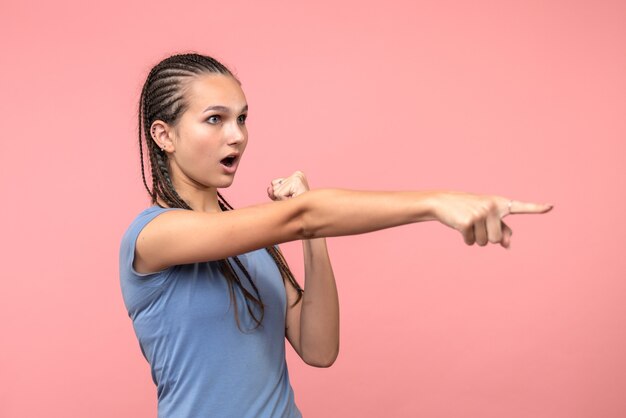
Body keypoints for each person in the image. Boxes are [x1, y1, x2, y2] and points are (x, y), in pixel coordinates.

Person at [119, 52, 553, 418]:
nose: (237, 135)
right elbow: (304, 216)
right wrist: (435, 202)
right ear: (165, 135)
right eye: (215, 119)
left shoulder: (257, 246)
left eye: (242, 118)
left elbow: (319, 348)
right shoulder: (154, 236)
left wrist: (313, 236)